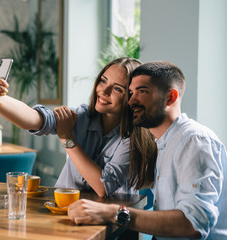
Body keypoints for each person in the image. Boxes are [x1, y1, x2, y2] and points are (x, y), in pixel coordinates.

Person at [67, 61, 227, 240]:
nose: (131, 101)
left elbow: (192, 224)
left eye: (142, 92)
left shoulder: (194, 141)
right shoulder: (164, 142)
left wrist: (114, 212)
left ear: (170, 97)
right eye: (131, 93)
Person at [0, 57, 156, 197]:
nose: (104, 91)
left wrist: (67, 137)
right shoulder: (81, 116)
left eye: (117, 89)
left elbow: (103, 187)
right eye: (103, 81)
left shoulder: (133, 137)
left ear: (131, 97)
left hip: (109, 223)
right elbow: (37, 119)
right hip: (64, 210)